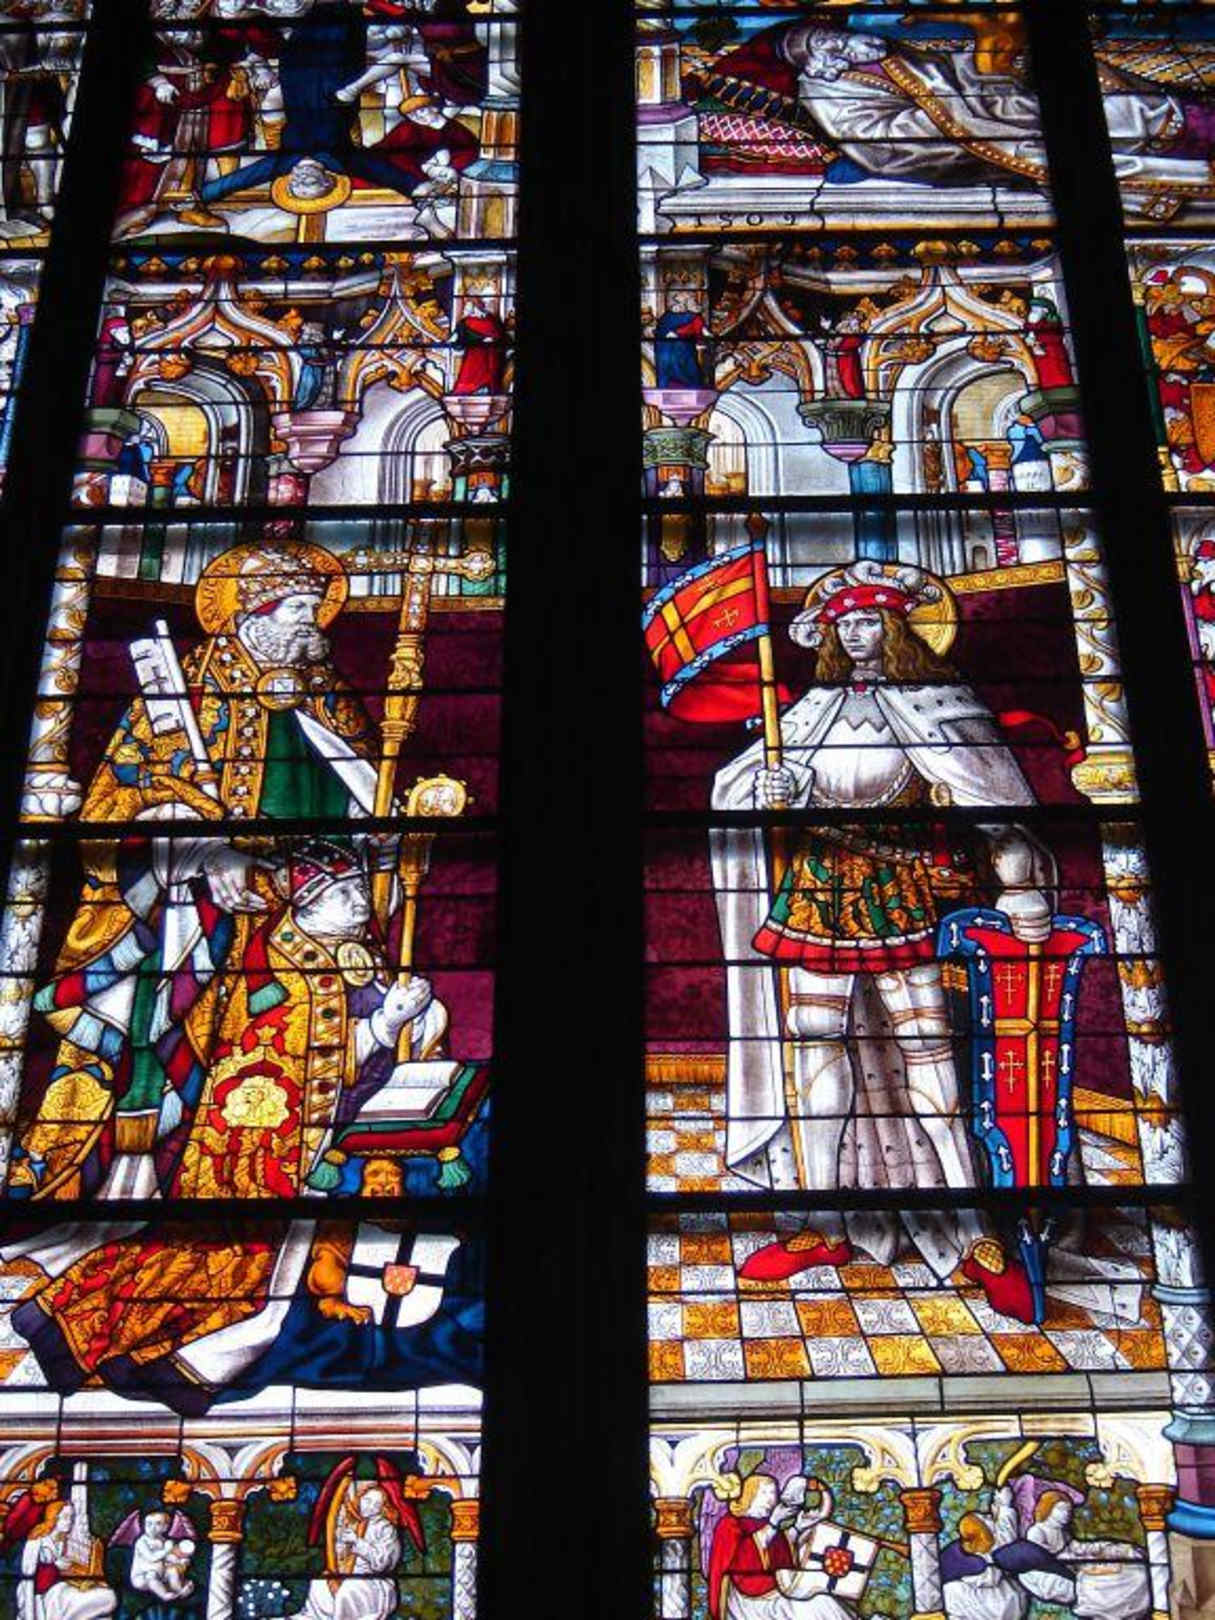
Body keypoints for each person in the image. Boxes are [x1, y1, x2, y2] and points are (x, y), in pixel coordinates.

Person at [7, 838, 463, 1414]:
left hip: (306, 1149)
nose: (360, 904)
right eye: (343, 894)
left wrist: (410, 1021)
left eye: (359, 891)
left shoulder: (345, 954)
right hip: (255, 1154)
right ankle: (92, 1338)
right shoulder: (280, 969)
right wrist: (382, 1027)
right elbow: (303, 1062)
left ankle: (158, 1354)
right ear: (306, 903)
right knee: (218, 1269)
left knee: (245, 1275)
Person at [712, 560, 1054, 1321]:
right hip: (817, 888)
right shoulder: (809, 711)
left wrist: (1018, 881)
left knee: (929, 1058)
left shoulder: (940, 705)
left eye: (869, 620)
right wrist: (771, 790)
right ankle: (825, 1223)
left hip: (898, 890)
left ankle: (975, 1232)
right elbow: (741, 790)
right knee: (814, 1048)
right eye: (844, 623)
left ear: (896, 627)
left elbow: (993, 799)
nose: (855, 634)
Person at [704, 20, 1215, 218]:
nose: (840, 41)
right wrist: (957, 110)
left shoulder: (883, 54)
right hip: (954, 145)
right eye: (825, 42)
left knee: (1091, 101)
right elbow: (882, 144)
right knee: (1074, 133)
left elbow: (947, 72)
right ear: (814, 61)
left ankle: (1190, 128)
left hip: (989, 113)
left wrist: (982, 71)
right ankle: (1189, 148)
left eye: (833, 33)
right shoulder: (829, 92)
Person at [290, 1483, 405, 1620]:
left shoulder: (385, 1529)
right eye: (367, 1501)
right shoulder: (353, 1522)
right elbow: (341, 1555)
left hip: (374, 1582)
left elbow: (383, 1563)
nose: (370, 1507)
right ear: (359, 1499)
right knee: (319, 1582)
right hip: (350, 1576)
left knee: (348, 1588)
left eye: (376, 1505)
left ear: (382, 1508)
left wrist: (358, 1542)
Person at [16, 1500, 117, 1620]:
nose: (69, 1521)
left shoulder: (64, 1542)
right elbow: (27, 1579)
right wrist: (30, 1615)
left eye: (71, 1517)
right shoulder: (36, 1542)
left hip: (63, 1589)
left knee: (109, 1597)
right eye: (65, 1517)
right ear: (53, 1518)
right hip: (43, 1597)